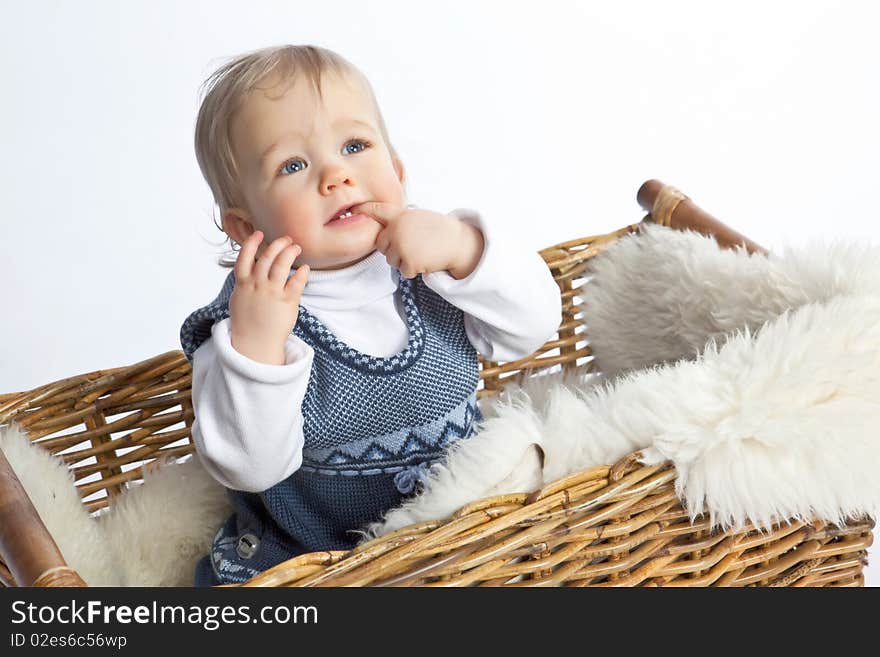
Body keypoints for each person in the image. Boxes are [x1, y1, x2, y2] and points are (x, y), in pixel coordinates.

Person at [179, 44, 562, 585]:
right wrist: (258, 346)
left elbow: (535, 326)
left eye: (355, 145)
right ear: (245, 228)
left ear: (397, 171)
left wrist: (464, 247)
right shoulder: (249, 323)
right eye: (293, 165)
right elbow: (249, 466)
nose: (336, 174)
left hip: (472, 531)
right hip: (326, 559)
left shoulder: (433, 265)